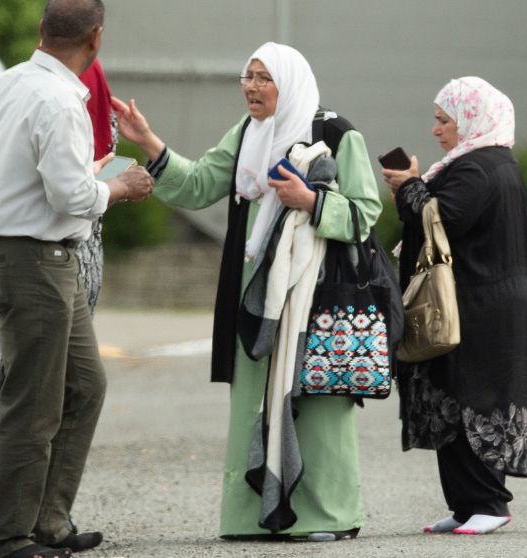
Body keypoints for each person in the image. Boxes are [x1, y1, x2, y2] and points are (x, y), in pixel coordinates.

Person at [112, 42, 382, 540]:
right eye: (247, 76)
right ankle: (249, 515)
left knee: (318, 401)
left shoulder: (337, 134)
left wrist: (311, 200)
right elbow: (197, 185)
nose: (252, 87)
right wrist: (150, 143)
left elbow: (366, 212)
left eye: (264, 78)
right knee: (254, 399)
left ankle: (329, 516)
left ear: (291, 82)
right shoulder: (246, 134)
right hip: (254, 292)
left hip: (316, 295)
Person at [0, 1, 155, 556]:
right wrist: (120, 187)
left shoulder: (7, 84)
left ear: (41, 31)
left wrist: (88, 178)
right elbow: (69, 196)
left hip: (21, 252)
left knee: (85, 386)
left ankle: (48, 521)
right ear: (95, 38)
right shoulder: (59, 99)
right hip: (36, 259)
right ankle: (6, 536)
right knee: (33, 403)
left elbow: (25, 175)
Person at [381, 76, 527, 536]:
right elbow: (433, 216)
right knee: (449, 397)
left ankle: (489, 502)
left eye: (443, 120)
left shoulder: (481, 167)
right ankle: (467, 505)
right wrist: (410, 188)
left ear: (471, 119)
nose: (436, 130)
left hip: (482, 306)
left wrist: (410, 186)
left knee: (477, 397)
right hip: (473, 299)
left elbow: (441, 220)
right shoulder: (477, 163)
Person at [73, 58, 118, 313]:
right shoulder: (63, 100)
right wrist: (119, 187)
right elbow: (71, 191)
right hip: (73, 246)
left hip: (74, 244)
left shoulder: (23, 84)